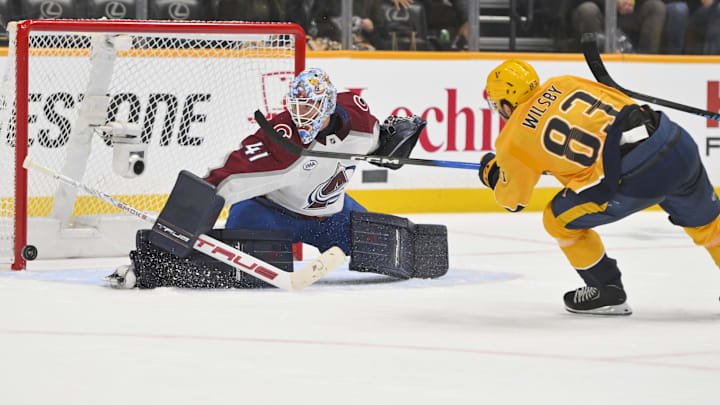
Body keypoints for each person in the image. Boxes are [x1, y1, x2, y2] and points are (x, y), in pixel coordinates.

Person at [106, 67, 448, 289]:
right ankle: (161, 267)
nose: (302, 116)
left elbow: (380, 141)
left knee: (415, 256)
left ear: (328, 106)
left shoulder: (358, 121)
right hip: (268, 214)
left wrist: (393, 143)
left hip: (331, 216)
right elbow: (223, 180)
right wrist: (169, 237)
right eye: (296, 106)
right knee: (234, 273)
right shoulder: (279, 139)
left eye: (311, 108)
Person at [479, 59, 720, 315]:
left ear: (506, 104)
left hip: (637, 176)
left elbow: (513, 201)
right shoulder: (564, 82)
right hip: (673, 140)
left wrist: (493, 175)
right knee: (709, 226)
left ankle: (606, 290)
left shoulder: (512, 139)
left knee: (556, 220)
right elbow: (621, 105)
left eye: (497, 106)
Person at [572, 0, 667, 53]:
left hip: (631, 12)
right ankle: (594, 59)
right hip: (597, 11)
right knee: (588, 9)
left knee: (656, 7)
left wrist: (631, 1)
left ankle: (647, 61)